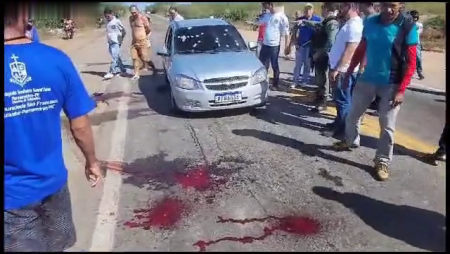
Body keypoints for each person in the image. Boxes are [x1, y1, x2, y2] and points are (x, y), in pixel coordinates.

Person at [4, 2, 102, 251]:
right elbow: (79, 125)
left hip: (11, 197)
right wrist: (92, 162)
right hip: (54, 183)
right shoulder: (56, 59)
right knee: (57, 245)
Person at [333, 2, 418, 181]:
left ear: (401, 5)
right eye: (385, 5)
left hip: (391, 83)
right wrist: (349, 72)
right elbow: (361, 48)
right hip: (367, 78)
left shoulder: (407, 26)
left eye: (393, 5)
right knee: (352, 115)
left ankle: (382, 160)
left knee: (387, 125)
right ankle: (350, 140)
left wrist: (401, 90)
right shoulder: (370, 21)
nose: (388, 10)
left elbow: (411, 63)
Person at [322, 3, 363, 138]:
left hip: (343, 70)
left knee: (343, 101)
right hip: (342, 69)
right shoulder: (349, 23)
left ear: (350, 6)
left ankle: (341, 130)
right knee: (341, 100)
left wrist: (338, 69)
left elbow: (350, 50)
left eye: (344, 6)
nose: (341, 9)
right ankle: (338, 122)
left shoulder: (354, 25)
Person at [304, 3, 340, 113]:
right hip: (319, 55)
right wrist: (304, 22)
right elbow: (317, 25)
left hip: (324, 56)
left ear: (327, 9)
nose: (321, 11)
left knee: (323, 80)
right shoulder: (326, 22)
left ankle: (323, 102)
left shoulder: (332, 23)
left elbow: (330, 42)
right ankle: (318, 98)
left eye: (323, 9)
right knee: (319, 79)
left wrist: (319, 53)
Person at [287, 3, 321, 88]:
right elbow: (294, 32)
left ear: (313, 11)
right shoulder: (300, 19)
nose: (308, 11)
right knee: (298, 65)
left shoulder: (317, 19)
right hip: (300, 46)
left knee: (307, 65)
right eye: (306, 9)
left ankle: (304, 81)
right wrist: (294, 43)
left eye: (310, 9)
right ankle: (295, 81)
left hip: (310, 47)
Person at [258, 2, 290, 90]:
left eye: (266, 6)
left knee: (274, 64)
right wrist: (260, 16)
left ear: (271, 5)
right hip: (265, 44)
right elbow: (259, 23)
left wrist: (287, 46)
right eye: (264, 6)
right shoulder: (267, 15)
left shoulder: (281, 16)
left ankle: (275, 84)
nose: (265, 7)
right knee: (262, 64)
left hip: (274, 45)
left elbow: (286, 32)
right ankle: (262, 81)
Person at [129, 5, 156, 81]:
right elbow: (133, 28)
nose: (133, 14)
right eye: (132, 12)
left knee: (145, 58)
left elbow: (148, 29)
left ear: (138, 11)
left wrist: (145, 37)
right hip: (134, 42)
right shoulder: (131, 19)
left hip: (142, 41)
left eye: (135, 12)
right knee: (134, 58)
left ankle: (153, 68)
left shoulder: (142, 18)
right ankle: (136, 74)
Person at [103, 8, 126, 80]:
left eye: (108, 16)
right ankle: (123, 70)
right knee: (116, 57)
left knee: (114, 58)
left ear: (112, 14)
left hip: (116, 42)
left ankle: (111, 72)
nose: (107, 18)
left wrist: (121, 39)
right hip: (110, 42)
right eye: (106, 16)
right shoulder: (107, 22)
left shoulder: (117, 21)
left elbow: (124, 31)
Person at [410, 10, 424, 80]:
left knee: (418, 58)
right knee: (409, 59)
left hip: (417, 43)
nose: (415, 18)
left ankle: (419, 72)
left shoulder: (419, 25)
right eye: (413, 16)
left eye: (416, 16)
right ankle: (410, 72)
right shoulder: (407, 24)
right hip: (409, 43)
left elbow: (418, 34)